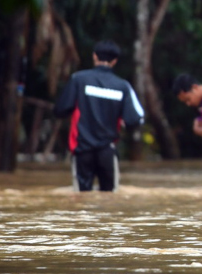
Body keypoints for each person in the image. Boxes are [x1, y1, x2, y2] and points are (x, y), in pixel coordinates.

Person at [53, 40, 145, 192]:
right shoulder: (123, 86)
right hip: (107, 151)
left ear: (94, 57)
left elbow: (60, 109)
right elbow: (136, 118)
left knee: (81, 197)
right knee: (110, 198)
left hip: (82, 149)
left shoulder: (78, 80)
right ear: (115, 61)